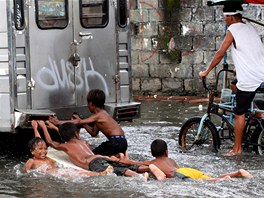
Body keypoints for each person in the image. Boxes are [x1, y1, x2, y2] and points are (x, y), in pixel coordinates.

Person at [199, 3, 264, 156]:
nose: (225, 21)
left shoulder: (233, 29)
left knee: (238, 113)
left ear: (230, 16)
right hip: (260, 73)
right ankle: (257, 113)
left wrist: (206, 71)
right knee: (234, 85)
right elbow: (252, 51)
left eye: (225, 18)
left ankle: (237, 149)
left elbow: (220, 53)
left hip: (251, 78)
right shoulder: (249, 27)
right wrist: (239, 67)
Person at [42, 121, 149, 181]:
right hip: (100, 157)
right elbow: (68, 135)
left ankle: (139, 177)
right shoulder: (83, 142)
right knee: (121, 166)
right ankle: (146, 169)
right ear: (76, 134)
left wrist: (43, 127)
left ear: (62, 137)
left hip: (92, 163)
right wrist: (56, 128)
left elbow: (50, 142)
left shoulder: (65, 146)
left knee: (116, 170)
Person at [113, 139, 253, 181]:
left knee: (205, 182)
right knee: (207, 177)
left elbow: (132, 164)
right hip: (186, 170)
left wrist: (117, 158)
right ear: (166, 151)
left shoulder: (152, 163)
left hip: (179, 175)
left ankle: (224, 179)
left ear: (152, 153)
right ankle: (236, 172)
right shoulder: (171, 160)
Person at [49, 89, 128, 158]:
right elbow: (93, 133)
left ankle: (117, 159)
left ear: (91, 104)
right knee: (98, 154)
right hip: (121, 141)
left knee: (92, 156)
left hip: (116, 142)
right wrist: (83, 123)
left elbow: (78, 122)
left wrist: (58, 122)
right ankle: (118, 157)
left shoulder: (99, 115)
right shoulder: (100, 116)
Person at [23, 120, 113, 178]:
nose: (43, 151)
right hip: (54, 174)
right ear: (32, 151)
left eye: (45, 149)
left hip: (58, 171)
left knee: (78, 172)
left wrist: (37, 127)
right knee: (76, 174)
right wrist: (36, 128)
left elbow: (40, 142)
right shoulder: (32, 161)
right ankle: (100, 173)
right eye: (40, 149)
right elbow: (25, 173)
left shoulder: (47, 157)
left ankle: (101, 173)